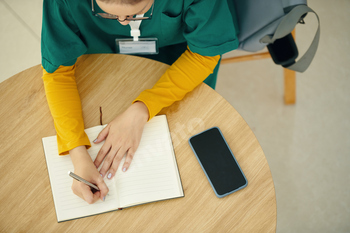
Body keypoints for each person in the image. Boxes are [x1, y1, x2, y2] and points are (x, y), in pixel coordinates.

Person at [41, 0, 239, 204]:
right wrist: (77, 153)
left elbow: (204, 56)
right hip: (102, 63)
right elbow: (57, 73)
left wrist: (143, 108)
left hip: (181, 59)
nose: (123, 23)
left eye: (136, 14)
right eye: (108, 15)